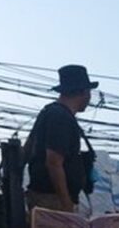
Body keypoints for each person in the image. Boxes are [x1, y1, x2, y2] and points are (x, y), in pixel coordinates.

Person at [24, 65, 99, 212]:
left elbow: (28, 148)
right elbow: (54, 162)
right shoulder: (61, 117)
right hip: (52, 200)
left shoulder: (50, 112)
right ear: (83, 92)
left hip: (47, 197)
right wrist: (66, 204)